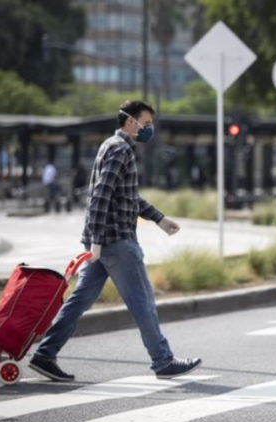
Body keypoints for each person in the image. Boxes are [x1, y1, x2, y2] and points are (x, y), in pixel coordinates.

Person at [29, 100, 201, 381]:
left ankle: (44, 355)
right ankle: (163, 360)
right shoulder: (120, 149)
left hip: (105, 242)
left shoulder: (112, 146)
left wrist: (159, 219)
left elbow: (127, 197)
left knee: (79, 300)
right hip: (116, 241)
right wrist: (96, 239)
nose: (149, 130)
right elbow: (100, 196)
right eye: (146, 124)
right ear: (130, 121)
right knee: (143, 301)